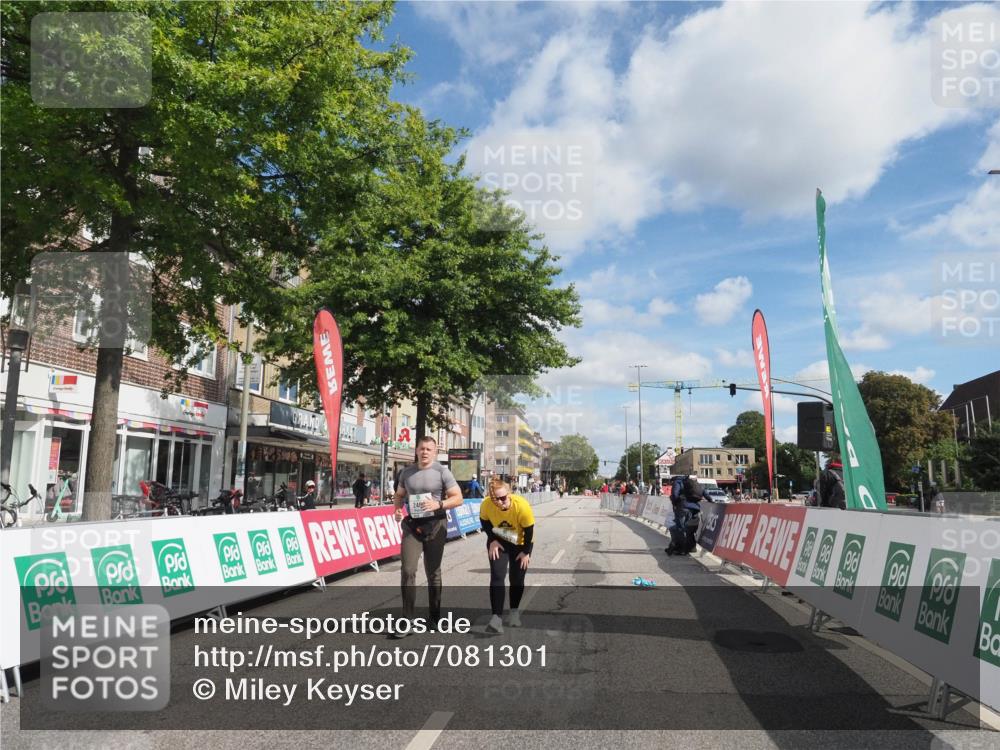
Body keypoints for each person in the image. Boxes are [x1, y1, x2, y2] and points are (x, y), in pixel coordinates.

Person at [392, 436, 463, 635]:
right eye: (422, 448)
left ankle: (434, 617)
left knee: (433, 573)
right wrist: (397, 510)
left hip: (435, 525)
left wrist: (438, 504)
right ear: (416, 450)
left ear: (435, 451)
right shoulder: (406, 472)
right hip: (412, 526)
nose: (425, 452)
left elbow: (458, 498)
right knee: (407, 570)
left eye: (429, 449)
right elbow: (399, 495)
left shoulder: (442, 471)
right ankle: (407, 620)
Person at [480, 478, 535, 633]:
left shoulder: (522, 506)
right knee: (497, 575)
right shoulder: (486, 504)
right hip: (500, 540)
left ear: (509, 494)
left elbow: (529, 531)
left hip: (521, 542)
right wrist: (492, 540)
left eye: (503, 498)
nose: (500, 502)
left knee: (516, 578)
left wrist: (526, 552)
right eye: (495, 499)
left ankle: (514, 613)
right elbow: (484, 522)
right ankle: (496, 618)